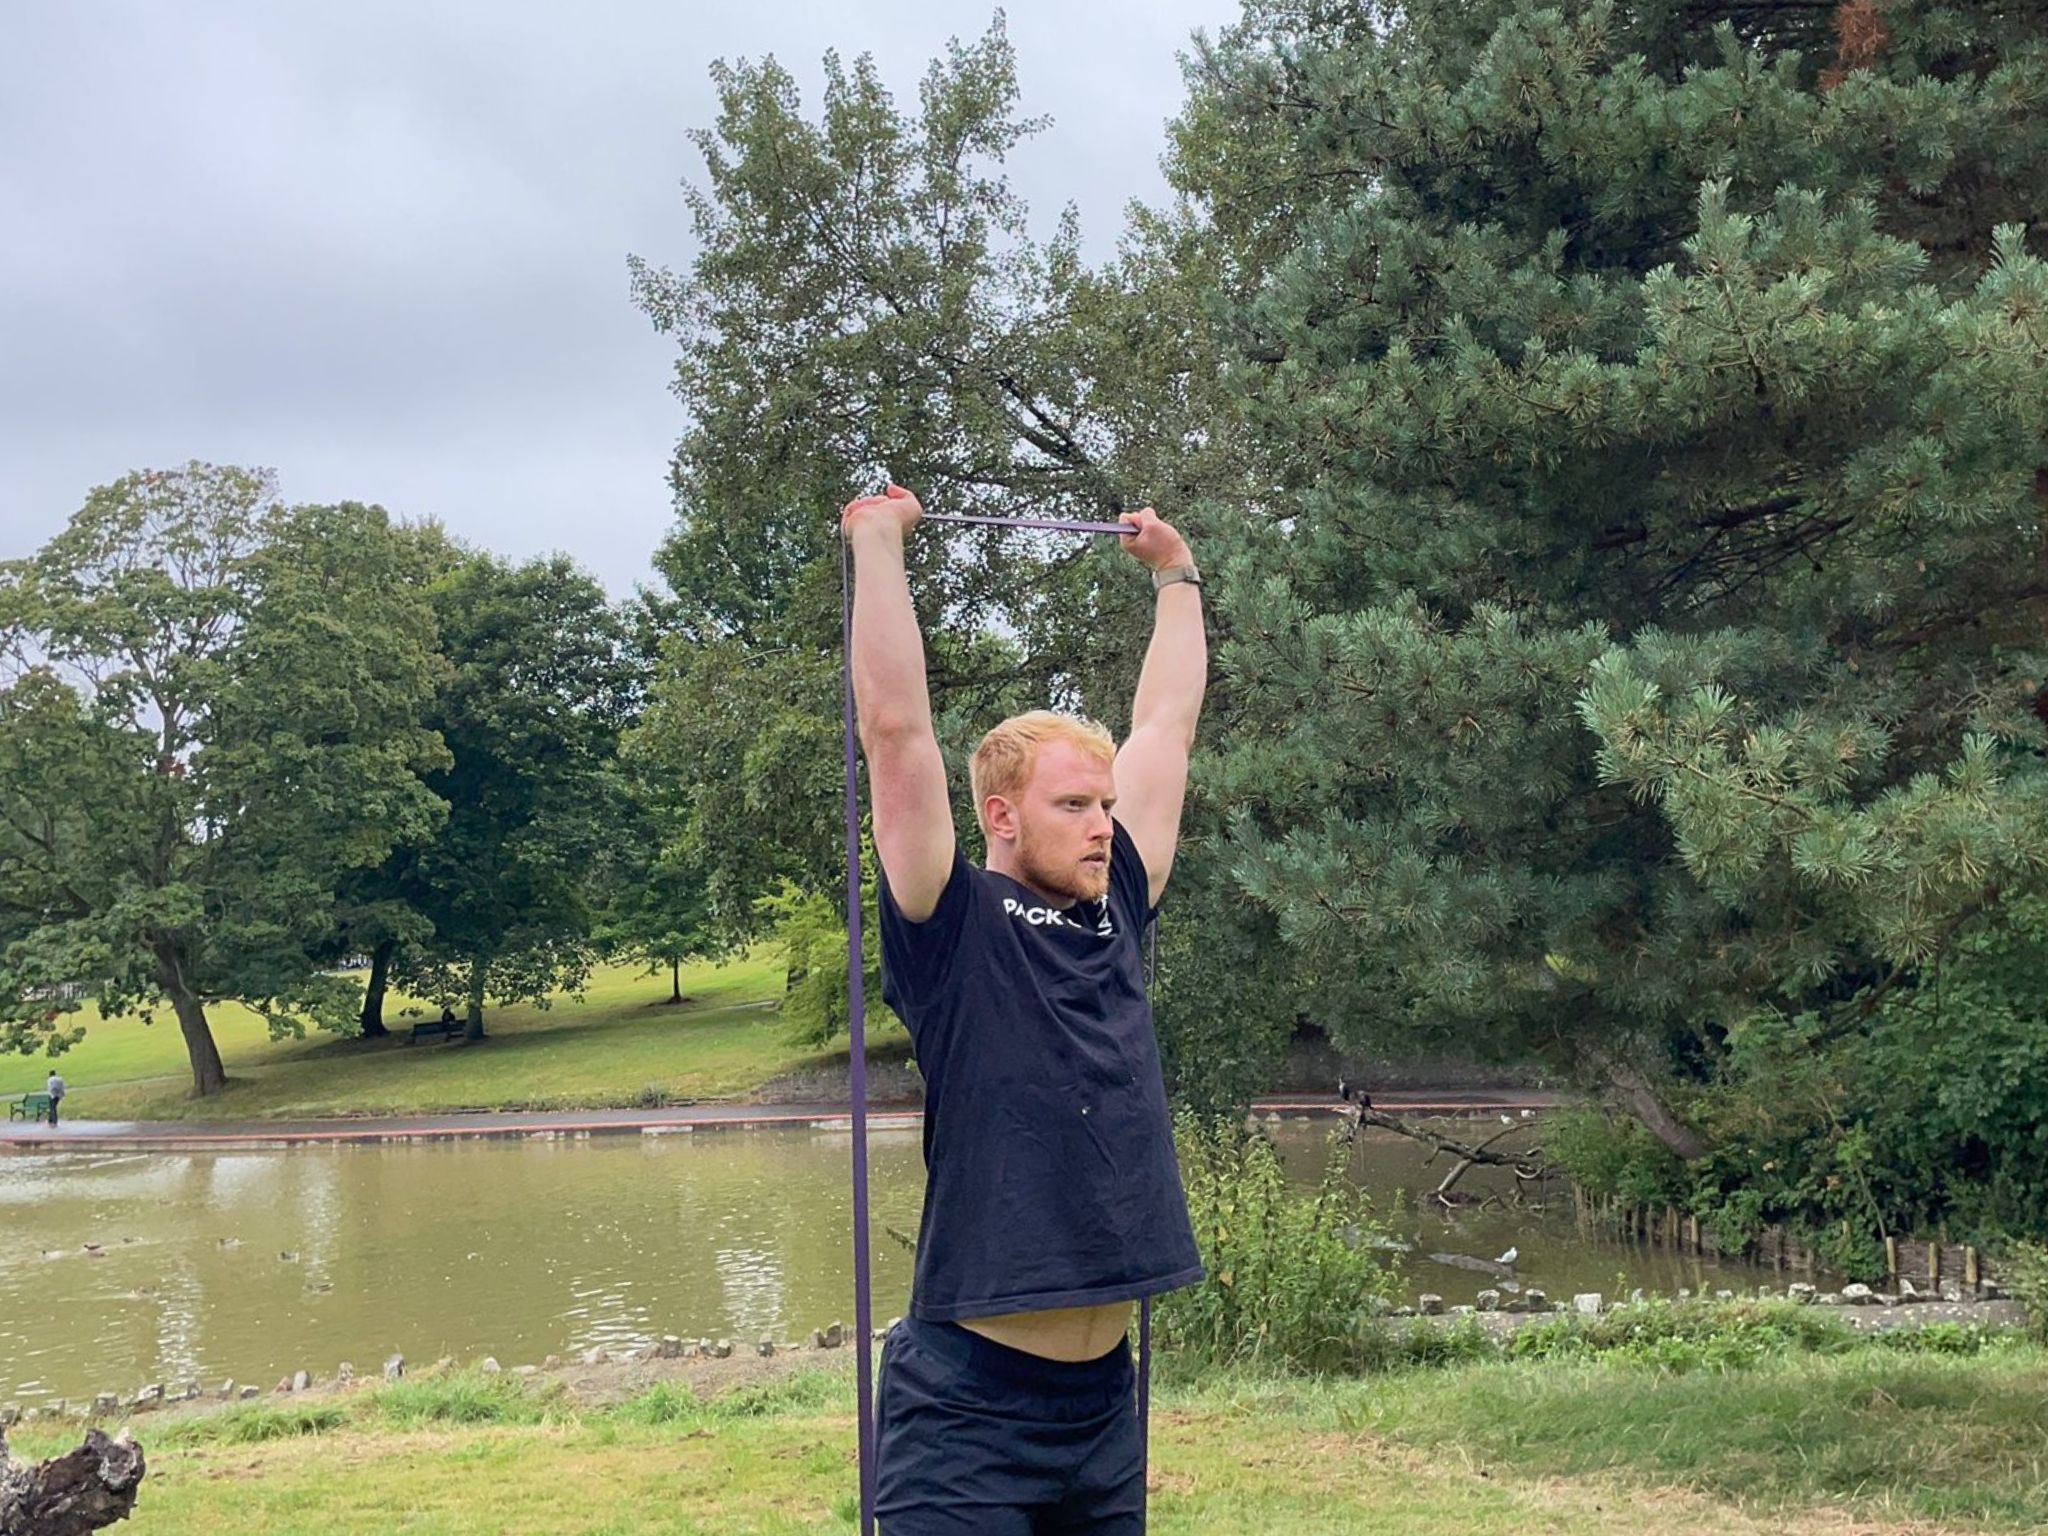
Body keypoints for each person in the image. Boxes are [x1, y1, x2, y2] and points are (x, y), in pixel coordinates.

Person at [844, 482, 1208, 1535]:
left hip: (1101, 1408)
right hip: (967, 1409)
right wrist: (876, 545)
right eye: (1071, 806)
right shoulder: (950, 919)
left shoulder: (1119, 908)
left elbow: (1166, 727)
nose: (1102, 825)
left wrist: (1175, 580)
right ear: (999, 817)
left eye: (1103, 805)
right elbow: (895, 730)